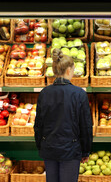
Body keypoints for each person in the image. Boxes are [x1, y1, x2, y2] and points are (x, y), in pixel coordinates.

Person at [34, 48, 93, 182]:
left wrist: (41, 146)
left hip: (49, 148)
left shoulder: (44, 93)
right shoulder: (79, 94)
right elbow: (85, 126)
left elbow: (38, 124)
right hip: (71, 150)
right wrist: (85, 151)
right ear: (68, 70)